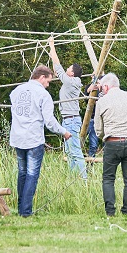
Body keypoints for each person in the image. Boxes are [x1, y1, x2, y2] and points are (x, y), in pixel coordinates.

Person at [9, 65, 72, 217]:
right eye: (48, 81)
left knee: (22, 173)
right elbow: (49, 121)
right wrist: (64, 132)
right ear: (42, 77)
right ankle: (25, 211)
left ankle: (20, 208)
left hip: (17, 137)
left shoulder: (16, 91)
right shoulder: (43, 95)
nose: (48, 85)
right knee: (31, 174)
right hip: (33, 138)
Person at [94, 73, 127, 216]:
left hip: (112, 142)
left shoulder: (102, 102)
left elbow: (98, 128)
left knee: (108, 178)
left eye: (102, 88)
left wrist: (104, 135)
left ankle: (110, 211)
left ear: (106, 86)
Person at [47, 37, 87, 179]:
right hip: (67, 120)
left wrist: (52, 45)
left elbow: (58, 68)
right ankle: (72, 178)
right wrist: (52, 52)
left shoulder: (74, 81)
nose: (67, 69)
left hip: (72, 121)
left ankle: (84, 180)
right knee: (69, 152)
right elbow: (56, 69)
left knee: (75, 150)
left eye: (68, 68)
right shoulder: (68, 81)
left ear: (72, 73)